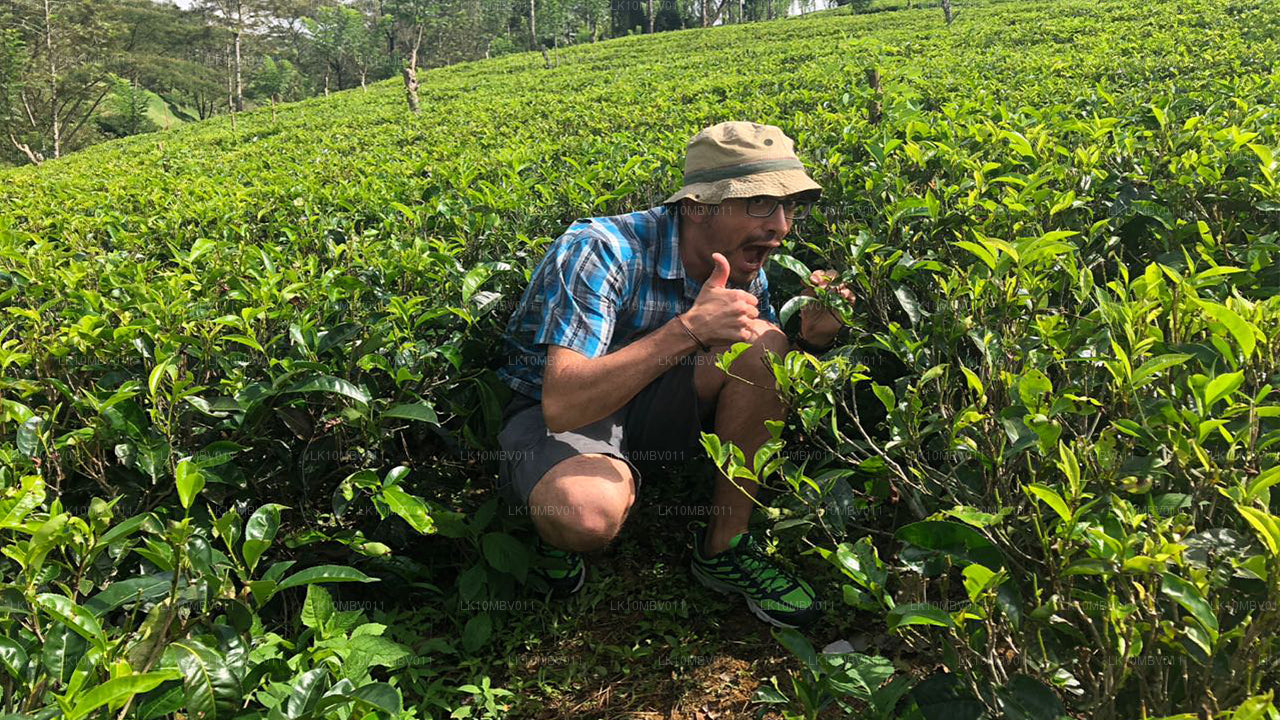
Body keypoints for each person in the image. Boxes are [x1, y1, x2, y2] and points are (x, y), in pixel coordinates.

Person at [494, 121, 855, 628]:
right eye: (759, 204)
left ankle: (724, 549)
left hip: (657, 399)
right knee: (584, 514)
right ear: (697, 207)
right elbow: (564, 403)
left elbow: (760, 377)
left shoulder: (744, 258)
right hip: (561, 413)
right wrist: (687, 331)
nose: (780, 226)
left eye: (788, 206)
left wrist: (811, 341)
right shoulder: (601, 248)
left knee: (766, 345)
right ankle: (550, 514)